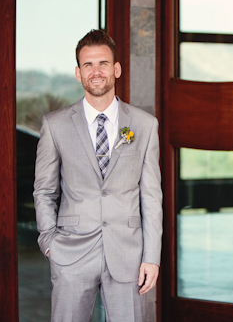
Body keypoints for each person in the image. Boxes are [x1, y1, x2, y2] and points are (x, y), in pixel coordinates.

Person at [33, 29, 163, 321]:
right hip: (71, 253)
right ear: (78, 74)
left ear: (116, 69)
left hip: (128, 255)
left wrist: (151, 257)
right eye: (88, 65)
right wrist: (49, 242)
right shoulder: (55, 126)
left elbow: (152, 197)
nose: (96, 71)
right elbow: (44, 191)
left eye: (103, 63)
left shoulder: (144, 125)